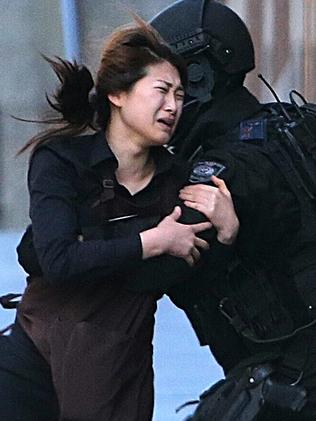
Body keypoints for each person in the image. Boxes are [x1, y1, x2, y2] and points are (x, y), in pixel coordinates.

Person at [0, 17, 239, 421]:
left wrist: (227, 231)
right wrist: (152, 242)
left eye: (181, 95)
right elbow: (55, 260)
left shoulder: (178, 179)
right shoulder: (62, 159)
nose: (173, 106)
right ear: (117, 95)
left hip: (116, 372)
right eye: (161, 91)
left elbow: (187, 278)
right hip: (33, 360)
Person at [147, 0, 316, 420]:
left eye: (159, 83)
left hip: (293, 379)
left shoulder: (219, 173)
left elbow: (157, 271)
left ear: (199, 77)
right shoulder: (292, 124)